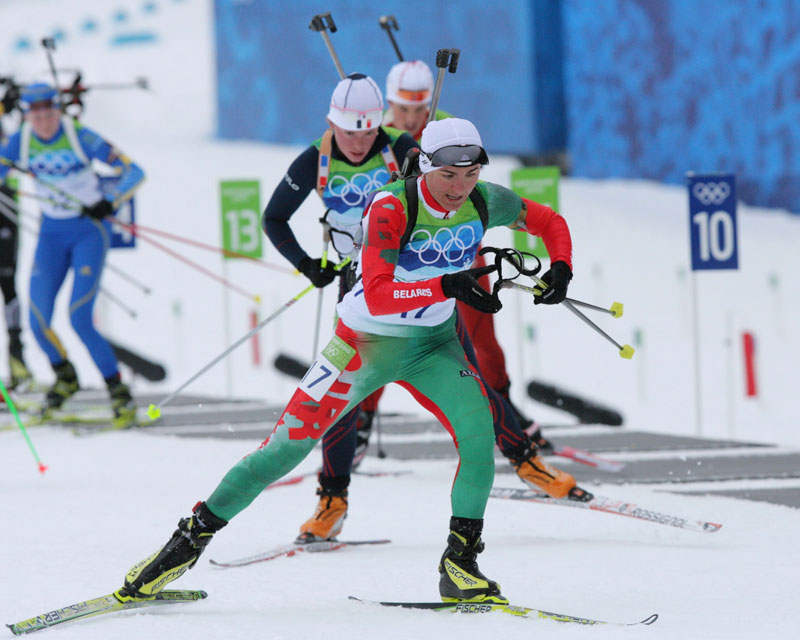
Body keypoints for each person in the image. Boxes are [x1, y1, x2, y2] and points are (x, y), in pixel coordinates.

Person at [117, 117, 576, 605]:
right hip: (362, 344)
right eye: (448, 175)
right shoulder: (392, 205)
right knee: (282, 451)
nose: (459, 188)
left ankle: (460, 564)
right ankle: (185, 544)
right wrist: (446, 285)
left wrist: (561, 267)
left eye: (470, 175)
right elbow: (378, 296)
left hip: (433, 346)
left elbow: (548, 222)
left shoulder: (486, 200)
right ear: (425, 165)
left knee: (479, 437)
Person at [0, 83, 144, 425]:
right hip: (50, 235)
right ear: (27, 115)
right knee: (37, 320)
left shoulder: (80, 136)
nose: (44, 121)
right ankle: (65, 377)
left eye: (49, 112)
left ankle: (118, 394)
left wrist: (109, 201)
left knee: (79, 317)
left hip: (87, 233)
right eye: (36, 114)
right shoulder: (22, 139)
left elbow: (133, 172)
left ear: (57, 110)